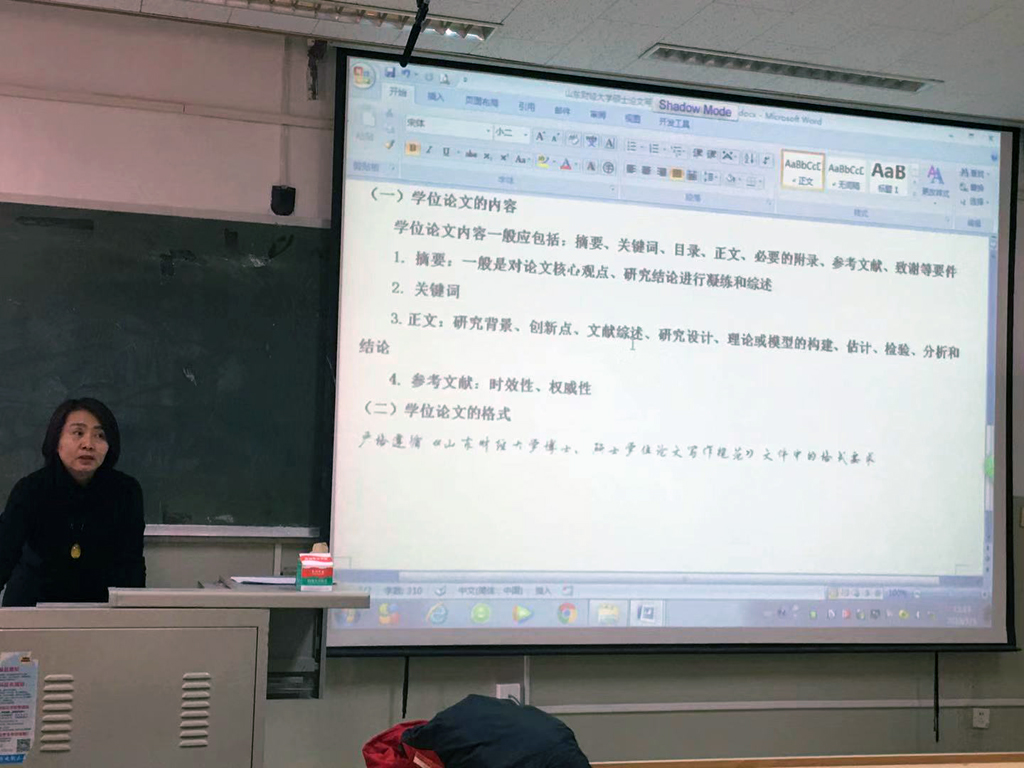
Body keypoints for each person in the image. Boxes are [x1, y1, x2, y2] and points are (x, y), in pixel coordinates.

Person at [0, 398, 146, 606]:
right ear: (56, 440)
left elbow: (132, 567)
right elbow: (3, 555)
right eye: (78, 433)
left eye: (100, 435)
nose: (88, 444)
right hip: (32, 606)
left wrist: (132, 617)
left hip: (99, 610)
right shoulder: (30, 489)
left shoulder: (126, 492)